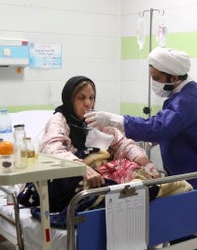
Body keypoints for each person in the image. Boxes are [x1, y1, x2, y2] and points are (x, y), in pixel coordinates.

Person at [86, 47, 197, 250]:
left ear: (172, 77)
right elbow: (170, 124)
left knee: (190, 228)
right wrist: (157, 140)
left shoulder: (188, 98)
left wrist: (117, 120)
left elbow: (162, 125)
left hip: (194, 172)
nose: (153, 82)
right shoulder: (182, 93)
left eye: (156, 77)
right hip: (181, 169)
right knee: (178, 225)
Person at [38, 75, 158, 204]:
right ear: (69, 100)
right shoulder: (58, 121)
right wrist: (82, 168)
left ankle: (148, 189)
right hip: (74, 175)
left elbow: (123, 143)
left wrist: (144, 161)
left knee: (132, 168)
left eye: (91, 98)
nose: (88, 103)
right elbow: (53, 150)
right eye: (81, 98)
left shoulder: (96, 119)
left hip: (100, 172)